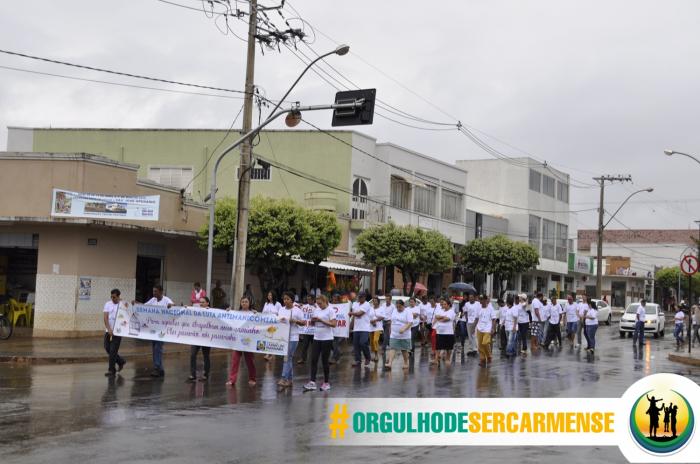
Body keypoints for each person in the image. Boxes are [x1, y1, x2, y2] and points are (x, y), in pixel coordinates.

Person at [136, 285, 174, 377]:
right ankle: (160, 369)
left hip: (162, 329)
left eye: (156, 291)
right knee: (154, 348)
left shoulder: (166, 300)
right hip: (153, 329)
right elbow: (144, 306)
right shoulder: (153, 300)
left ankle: (157, 368)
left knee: (158, 348)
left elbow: (173, 306)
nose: (154, 293)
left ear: (161, 292)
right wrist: (136, 303)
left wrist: (171, 306)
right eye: (153, 291)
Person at [304, 294, 337, 391]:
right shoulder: (316, 310)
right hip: (316, 337)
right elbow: (312, 323)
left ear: (325, 301)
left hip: (327, 339)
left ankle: (326, 382)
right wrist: (313, 321)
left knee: (324, 361)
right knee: (314, 360)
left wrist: (321, 320)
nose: (319, 305)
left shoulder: (330, 310)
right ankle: (312, 382)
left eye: (320, 303)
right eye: (317, 303)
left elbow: (334, 324)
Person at [226, 296, 257, 387]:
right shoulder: (236, 313)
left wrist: (256, 314)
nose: (244, 303)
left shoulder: (253, 313)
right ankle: (232, 380)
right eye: (242, 302)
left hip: (248, 341)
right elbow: (228, 320)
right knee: (235, 361)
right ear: (240, 303)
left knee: (250, 361)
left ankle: (252, 378)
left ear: (249, 303)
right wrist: (228, 312)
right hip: (238, 340)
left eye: (246, 302)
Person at [278, 291, 306, 388]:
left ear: (292, 300)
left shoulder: (297, 310)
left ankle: (284, 378)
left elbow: (304, 322)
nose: (285, 301)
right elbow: (277, 321)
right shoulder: (281, 309)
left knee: (287, 357)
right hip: (283, 337)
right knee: (288, 358)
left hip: (293, 337)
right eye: (284, 299)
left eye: (287, 299)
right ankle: (290, 380)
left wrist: (295, 321)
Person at [103, 288, 127, 377]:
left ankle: (111, 370)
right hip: (109, 331)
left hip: (118, 332)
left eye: (114, 297)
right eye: (111, 297)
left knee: (113, 351)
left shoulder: (122, 305)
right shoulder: (108, 304)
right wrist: (109, 329)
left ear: (118, 297)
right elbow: (105, 317)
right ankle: (121, 361)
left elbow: (127, 315)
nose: (113, 299)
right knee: (107, 348)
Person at [384, 299, 413, 370]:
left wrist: (404, 329)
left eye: (400, 307)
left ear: (403, 306)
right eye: (397, 307)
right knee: (392, 348)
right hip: (394, 334)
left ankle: (406, 363)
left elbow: (410, 322)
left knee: (404, 349)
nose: (398, 308)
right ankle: (390, 363)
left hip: (404, 335)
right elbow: (392, 321)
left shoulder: (408, 312)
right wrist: (390, 330)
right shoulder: (394, 311)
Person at [189, 296, 212, 381]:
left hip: (206, 338)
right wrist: (185, 309)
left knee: (206, 356)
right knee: (192, 354)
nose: (201, 304)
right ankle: (192, 374)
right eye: (200, 302)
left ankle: (205, 374)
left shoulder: (212, 312)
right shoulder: (196, 311)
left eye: (203, 302)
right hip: (196, 337)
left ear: (207, 303)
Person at [350, 291, 372, 367]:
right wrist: (351, 325)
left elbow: (359, 314)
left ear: (364, 297)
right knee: (356, 345)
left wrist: (351, 313)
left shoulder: (367, 304)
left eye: (361, 297)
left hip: (365, 328)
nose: (359, 298)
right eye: (359, 297)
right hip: (356, 328)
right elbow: (354, 316)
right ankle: (358, 360)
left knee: (363, 343)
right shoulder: (355, 304)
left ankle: (368, 357)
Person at [474, 295, 497, 367]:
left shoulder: (490, 308)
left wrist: (493, 328)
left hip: (487, 328)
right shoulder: (478, 308)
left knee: (485, 343)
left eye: (483, 299)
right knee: (480, 345)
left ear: (486, 300)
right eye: (480, 299)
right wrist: (473, 327)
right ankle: (482, 359)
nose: (481, 301)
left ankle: (489, 356)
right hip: (479, 328)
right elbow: (477, 318)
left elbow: (494, 319)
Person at [433, 297, 456, 366]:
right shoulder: (441, 310)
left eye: (445, 304)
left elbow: (447, 319)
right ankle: (436, 359)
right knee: (438, 346)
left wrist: (440, 318)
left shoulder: (452, 311)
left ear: (449, 305)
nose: (443, 305)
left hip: (448, 332)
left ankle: (448, 359)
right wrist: (442, 317)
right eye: (443, 304)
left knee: (448, 347)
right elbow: (436, 316)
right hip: (439, 331)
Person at [296, 294, 317, 365]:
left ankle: (314, 359)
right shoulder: (305, 306)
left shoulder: (317, 306)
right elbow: (297, 306)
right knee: (305, 345)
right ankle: (303, 358)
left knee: (314, 346)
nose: (308, 301)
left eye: (310, 299)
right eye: (307, 299)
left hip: (314, 331)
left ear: (313, 299)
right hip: (306, 330)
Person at [262, 291, 282, 362]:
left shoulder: (278, 304)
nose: (269, 296)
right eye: (268, 295)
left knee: (272, 339)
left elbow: (280, 314)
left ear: (273, 296)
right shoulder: (266, 304)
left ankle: (271, 354)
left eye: (270, 295)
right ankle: (268, 353)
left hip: (274, 325)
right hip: (267, 324)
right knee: (267, 338)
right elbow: (263, 313)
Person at [369, 296, 383, 364]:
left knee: (375, 340)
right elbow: (368, 317)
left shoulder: (381, 308)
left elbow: (383, 317)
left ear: (378, 302)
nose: (374, 302)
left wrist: (375, 320)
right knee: (371, 342)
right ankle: (374, 355)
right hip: (371, 327)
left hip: (378, 327)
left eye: (375, 301)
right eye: (373, 301)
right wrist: (371, 321)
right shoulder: (370, 309)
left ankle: (377, 355)